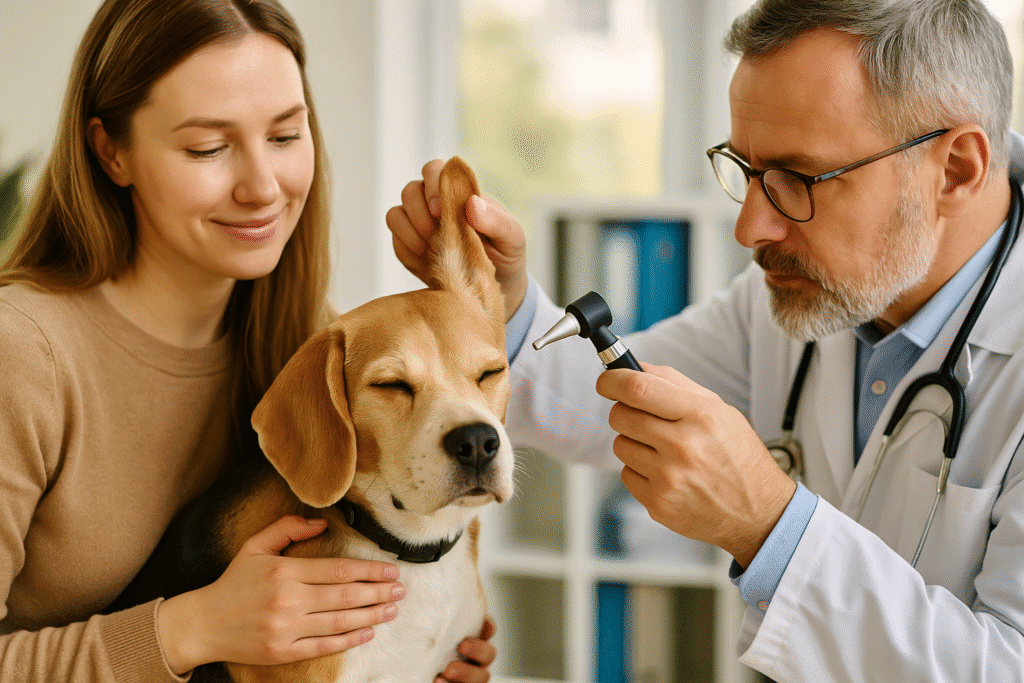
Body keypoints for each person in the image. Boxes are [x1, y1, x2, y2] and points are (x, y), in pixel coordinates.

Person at [388, 0, 1024, 680]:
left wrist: (770, 527)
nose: (749, 228)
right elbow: (610, 403)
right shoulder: (800, 297)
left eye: (796, 179)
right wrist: (504, 301)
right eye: (746, 170)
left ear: (955, 169)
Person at [0, 1, 494, 681]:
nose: (263, 186)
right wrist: (191, 627)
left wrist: (425, 650)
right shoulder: (21, 354)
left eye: (287, 136)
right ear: (111, 151)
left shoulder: (310, 338)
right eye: (208, 146)